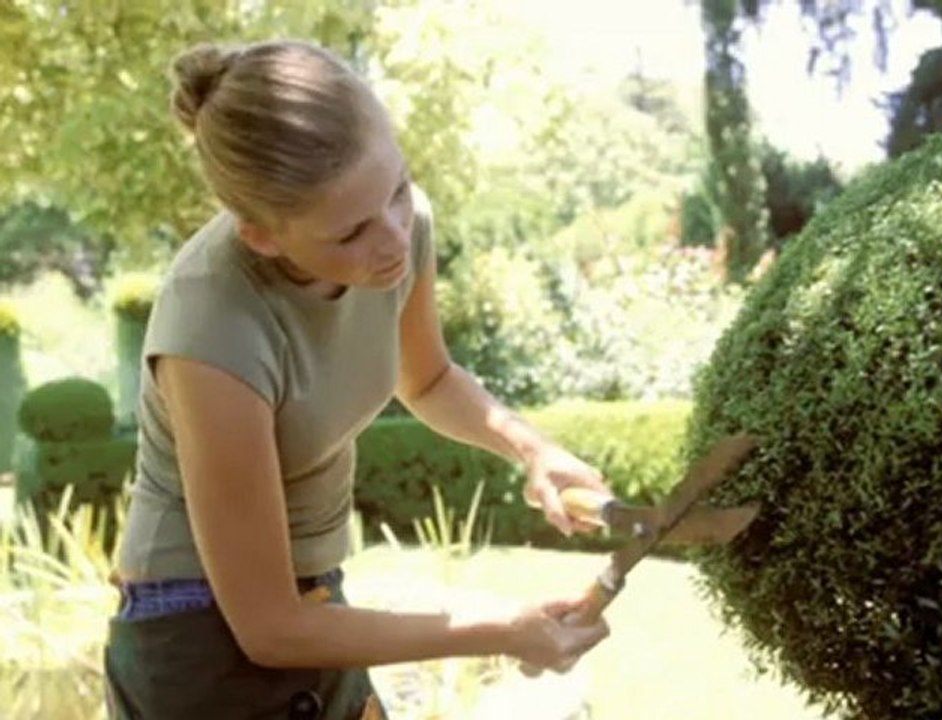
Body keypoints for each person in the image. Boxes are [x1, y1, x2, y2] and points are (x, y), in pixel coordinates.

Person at [103, 39, 610, 720]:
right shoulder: (211, 323)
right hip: (196, 632)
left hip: (313, 603)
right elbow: (270, 627)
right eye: (350, 233)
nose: (394, 238)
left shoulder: (395, 236)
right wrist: (503, 631)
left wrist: (533, 450)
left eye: (398, 190)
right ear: (262, 236)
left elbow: (426, 381)